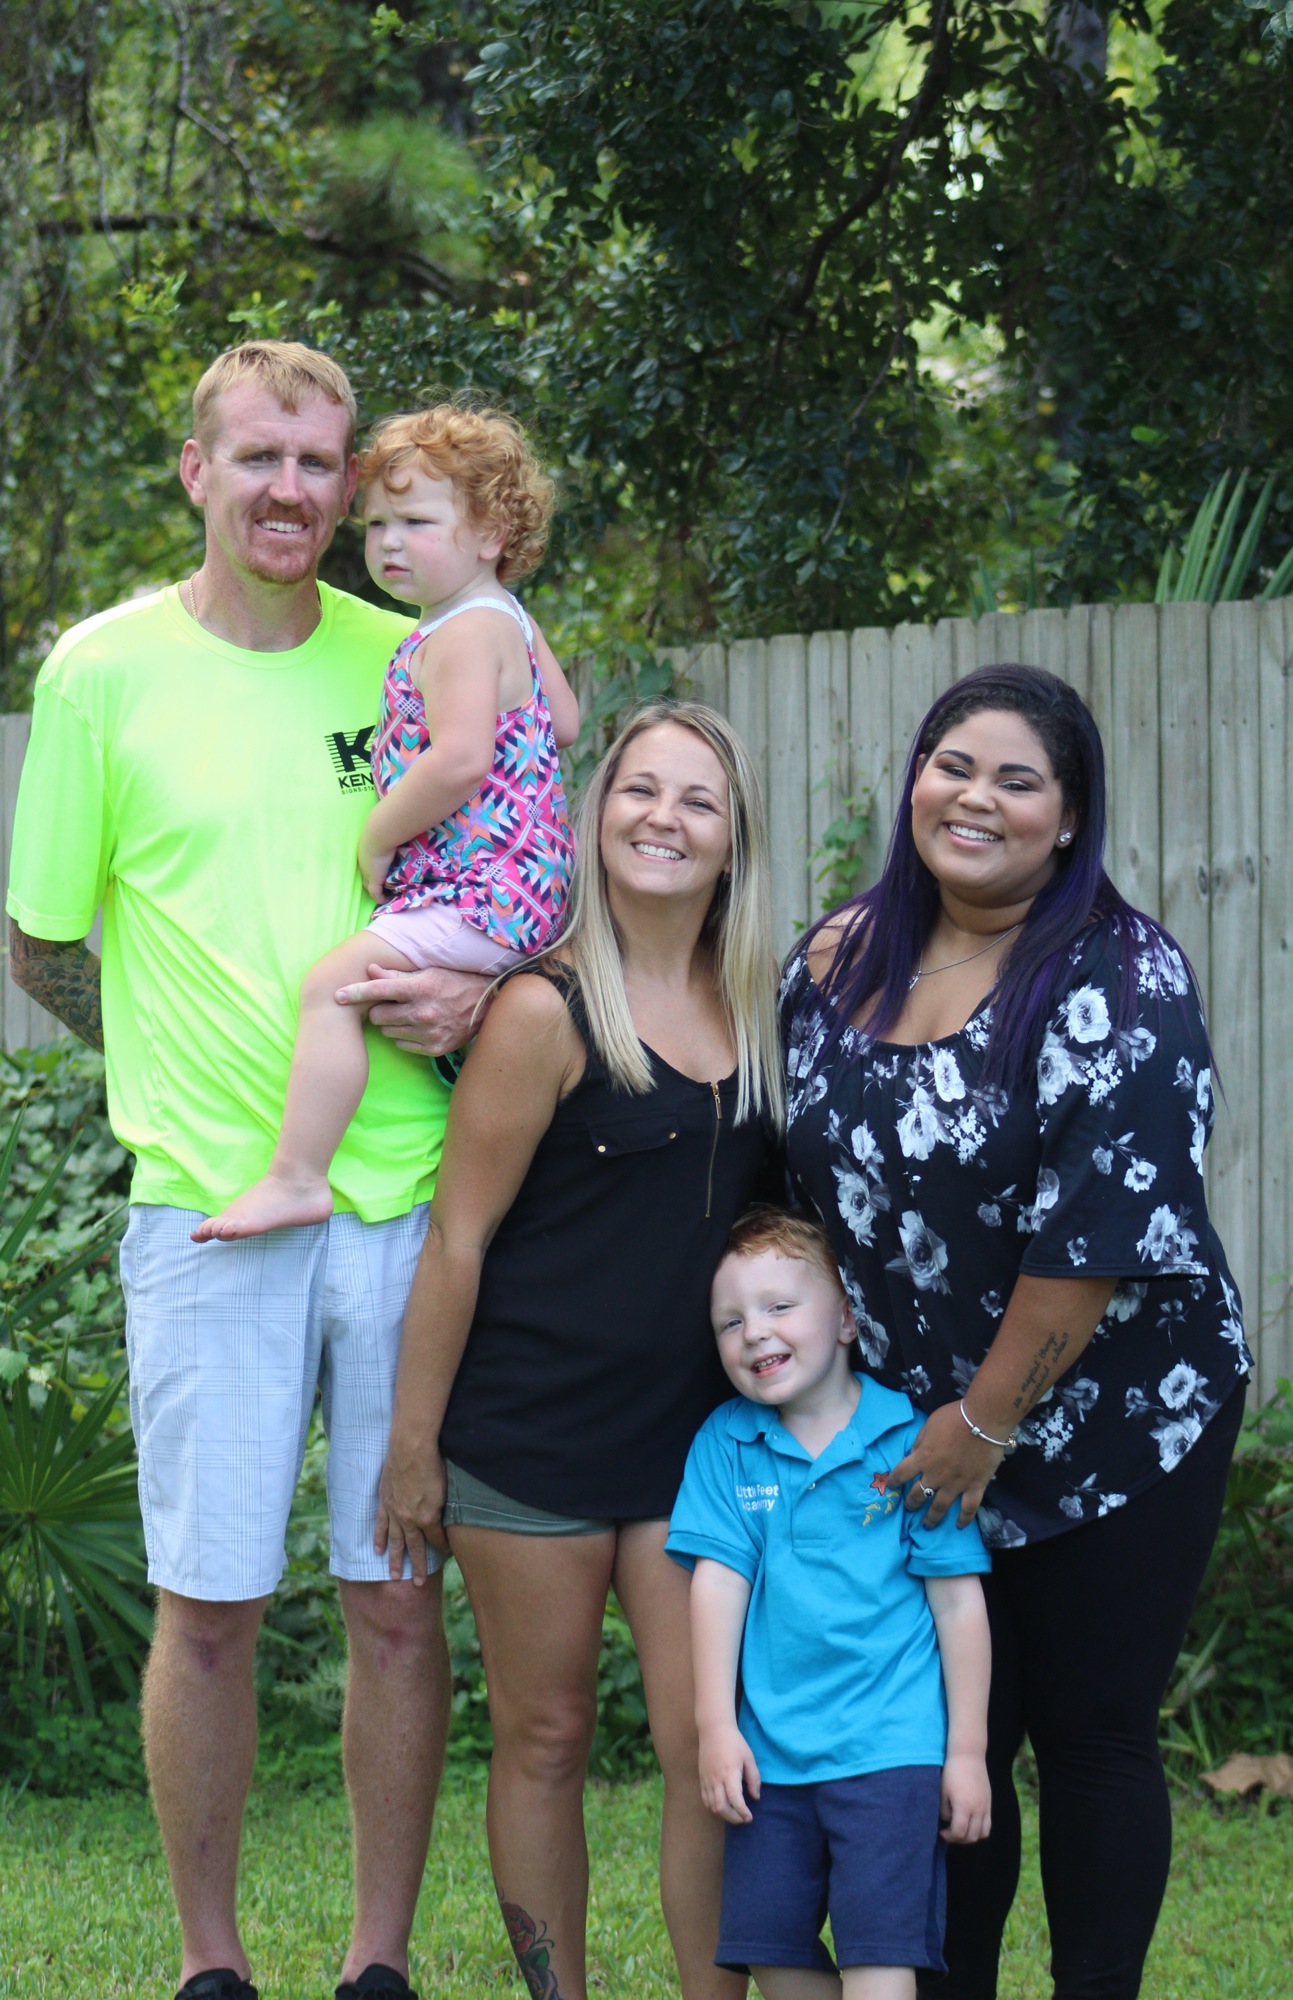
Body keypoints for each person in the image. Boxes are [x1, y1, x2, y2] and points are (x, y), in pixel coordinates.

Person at [5, 340, 497, 2000]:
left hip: (410, 1202)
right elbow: (42, 945)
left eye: (321, 462)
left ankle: (374, 1963)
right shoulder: (98, 671)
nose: (293, 489)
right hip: (207, 1214)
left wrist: (473, 995)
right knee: (208, 1609)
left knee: (395, 1603)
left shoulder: (418, 657)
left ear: (353, 482)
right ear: (197, 471)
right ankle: (212, 1968)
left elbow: (513, 877)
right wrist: (183, 1073)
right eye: (260, 457)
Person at [779, 664, 1252, 2000]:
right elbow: (798, 1198)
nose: (974, 797)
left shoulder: (1120, 973)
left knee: (1092, 1736)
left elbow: (1096, 1240)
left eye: (1016, 778)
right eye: (952, 764)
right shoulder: (828, 961)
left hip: (1115, 1422)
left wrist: (984, 1426)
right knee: (942, 1741)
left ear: (1067, 816)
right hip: (918, 1440)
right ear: (913, 780)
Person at [375, 700, 785, 2000]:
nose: (663, 818)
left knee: (704, 1743)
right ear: (597, 815)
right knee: (541, 1736)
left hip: (698, 1452)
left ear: (733, 841)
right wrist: (410, 1447)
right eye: (638, 792)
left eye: (697, 801)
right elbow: (456, 1241)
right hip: (528, 1440)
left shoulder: (767, 1005)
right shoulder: (541, 1009)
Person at [193, 404, 579, 1241]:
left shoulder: (462, 634)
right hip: (524, 890)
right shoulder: (503, 615)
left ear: (491, 533)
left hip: (481, 893)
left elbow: (461, 758)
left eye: (416, 522)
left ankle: (296, 1176)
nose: (389, 543)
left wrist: (377, 833)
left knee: (328, 989)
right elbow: (568, 720)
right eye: (376, 526)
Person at [666, 1206, 992, 2000]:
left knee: (880, 1966)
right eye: (730, 1321)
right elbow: (717, 1585)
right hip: (770, 1758)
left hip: (892, 1755)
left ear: (845, 1317)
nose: (754, 1332)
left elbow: (958, 1607)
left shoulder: (909, 1441)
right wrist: (715, 1728)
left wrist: (967, 1754)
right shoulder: (725, 1441)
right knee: (769, 1955)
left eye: (780, 1307)